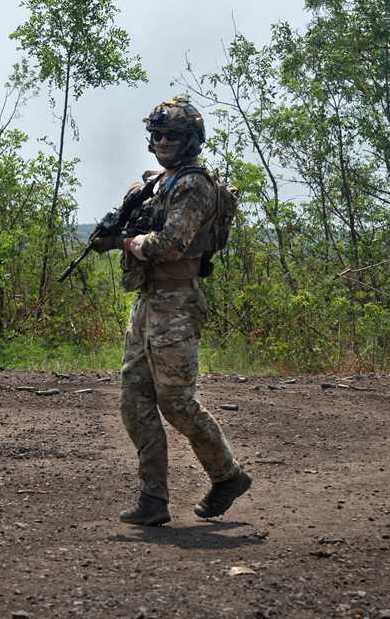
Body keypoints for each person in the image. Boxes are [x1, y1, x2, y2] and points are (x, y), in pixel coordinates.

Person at [91, 96, 251, 526]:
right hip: (148, 302)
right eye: (157, 134)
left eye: (173, 135)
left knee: (176, 403)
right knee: (133, 397)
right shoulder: (156, 183)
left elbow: (170, 244)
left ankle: (227, 476)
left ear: (191, 140)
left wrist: (123, 243)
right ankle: (152, 498)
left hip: (177, 303)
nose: (163, 141)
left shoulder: (194, 186)